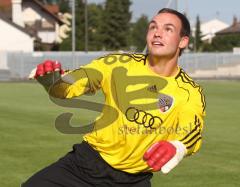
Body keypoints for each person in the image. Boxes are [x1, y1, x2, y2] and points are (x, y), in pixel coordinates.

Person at [23, 8, 206, 187]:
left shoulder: (189, 92)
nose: (157, 33)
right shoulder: (117, 64)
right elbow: (77, 82)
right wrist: (54, 82)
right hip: (85, 165)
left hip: (134, 180)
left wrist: (178, 147)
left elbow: (192, 131)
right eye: (153, 27)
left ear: (183, 41)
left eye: (168, 29)